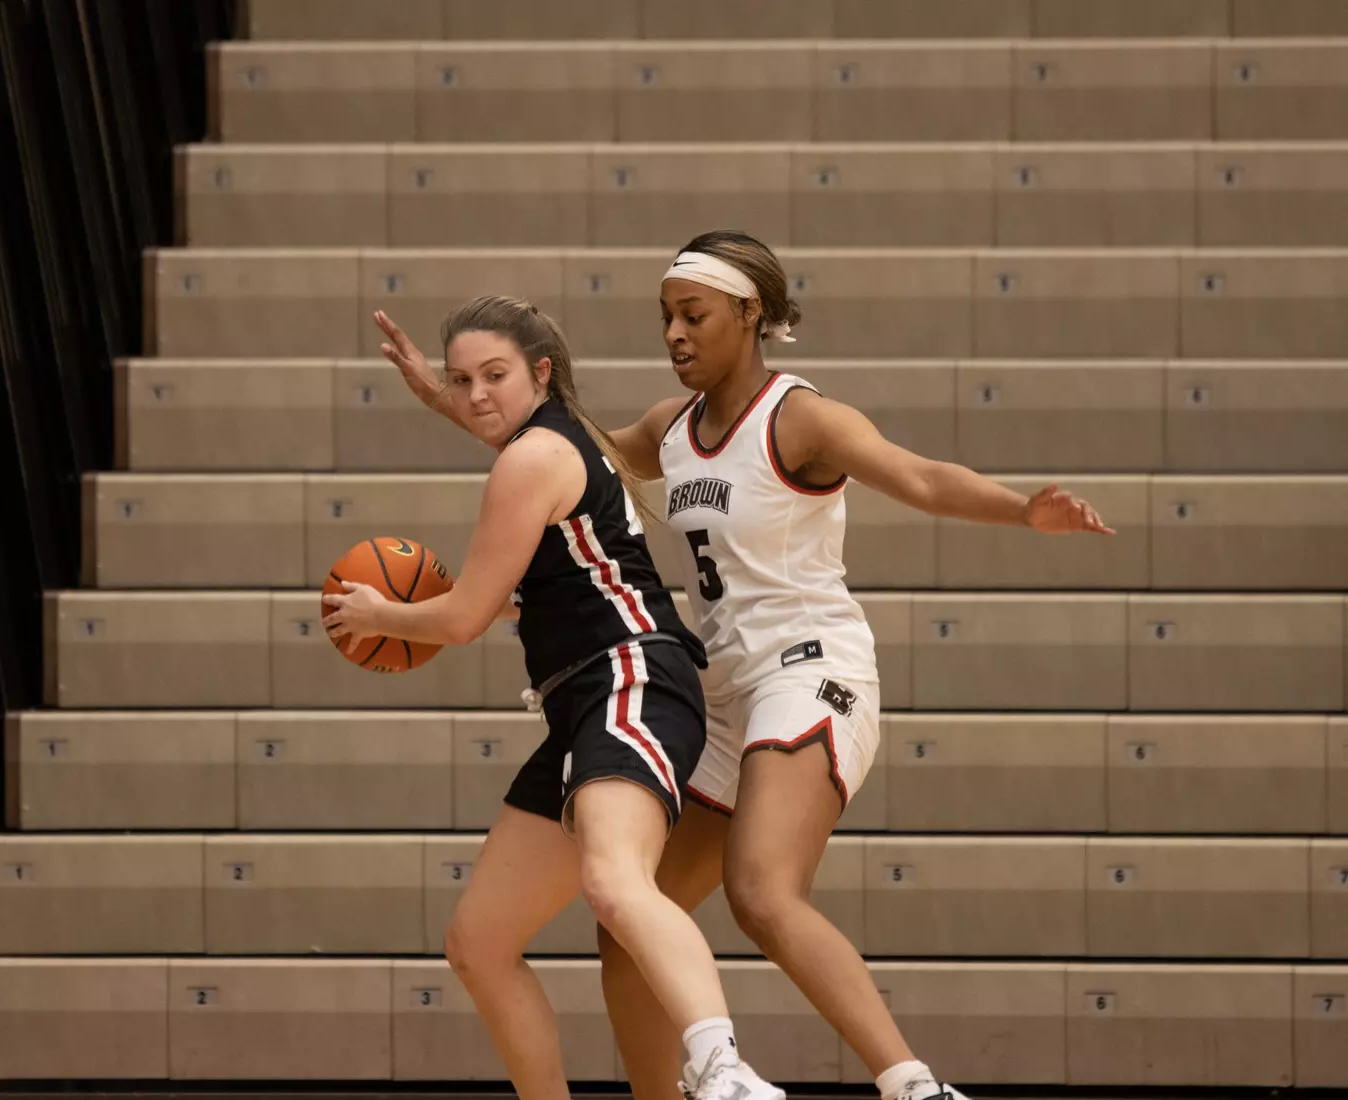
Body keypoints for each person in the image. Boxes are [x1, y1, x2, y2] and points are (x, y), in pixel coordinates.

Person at [378, 234, 1114, 1100]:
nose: (675, 335)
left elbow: (918, 476)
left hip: (809, 667)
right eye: (665, 319)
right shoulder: (668, 429)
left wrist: (1023, 510)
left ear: (750, 313)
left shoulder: (799, 417)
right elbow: (559, 457)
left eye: (693, 316)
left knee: (761, 891)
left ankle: (912, 1085)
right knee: (627, 922)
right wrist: (452, 398)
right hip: (720, 685)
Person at [323, 295, 784, 1100]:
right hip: (583, 700)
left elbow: (463, 616)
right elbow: (516, 575)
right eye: (461, 380)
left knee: (613, 881)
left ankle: (725, 1072)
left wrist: (379, 614)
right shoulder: (554, 439)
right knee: (480, 940)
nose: (474, 395)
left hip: (631, 679)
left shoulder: (533, 458)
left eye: (492, 376)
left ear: (540, 372)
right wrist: (438, 396)